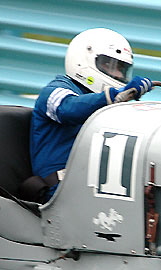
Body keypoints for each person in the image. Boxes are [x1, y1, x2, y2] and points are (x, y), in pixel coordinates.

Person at [28, 28, 153, 201]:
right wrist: (113, 96)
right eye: (108, 65)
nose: (117, 74)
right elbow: (69, 109)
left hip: (95, 185)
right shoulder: (55, 91)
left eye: (121, 69)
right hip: (60, 190)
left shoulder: (109, 104)